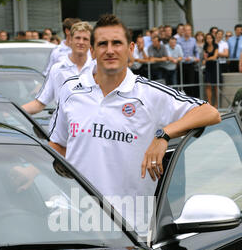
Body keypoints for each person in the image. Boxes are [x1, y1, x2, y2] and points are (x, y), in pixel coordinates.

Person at [48, 14, 220, 234]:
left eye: (116, 43)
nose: (110, 50)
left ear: (130, 48)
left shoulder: (149, 93)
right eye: (102, 44)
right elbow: (57, 146)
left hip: (130, 229)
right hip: (77, 223)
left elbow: (209, 112)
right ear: (92, 50)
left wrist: (163, 135)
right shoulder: (70, 90)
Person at [22, 21, 94, 127]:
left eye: (85, 39)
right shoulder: (57, 69)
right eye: (78, 38)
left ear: (90, 43)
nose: (81, 42)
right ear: (70, 40)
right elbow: (39, 104)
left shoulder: (97, 68)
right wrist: (13, 113)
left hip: (89, 129)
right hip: (62, 130)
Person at [177, 23, 200, 97]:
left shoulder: (193, 40)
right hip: (182, 64)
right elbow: (178, 53)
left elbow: (196, 51)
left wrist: (197, 58)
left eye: (189, 30)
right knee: (183, 83)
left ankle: (191, 100)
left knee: (191, 83)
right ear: (183, 31)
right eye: (186, 30)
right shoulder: (179, 41)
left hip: (191, 64)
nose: (188, 32)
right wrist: (183, 58)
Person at [203, 33, 219, 107]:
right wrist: (206, 60)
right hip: (208, 67)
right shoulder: (205, 46)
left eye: (210, 38)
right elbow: (204, 56)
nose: (209, 40)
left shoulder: (216, 45)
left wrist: (207, 59)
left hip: (215, 67)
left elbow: (215, 56)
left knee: (215, 86)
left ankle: (216, 104)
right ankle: (209, 103)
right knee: (208, 85)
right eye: (207, 38)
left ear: (212, 39)